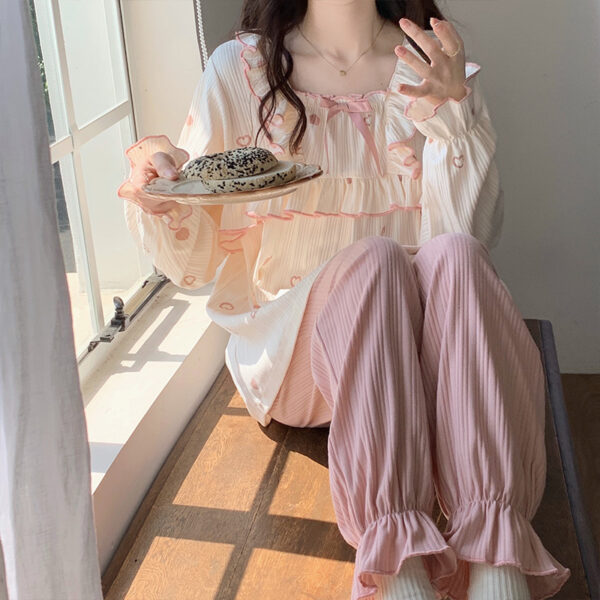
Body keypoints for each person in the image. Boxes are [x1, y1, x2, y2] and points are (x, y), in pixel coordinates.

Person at [117, 1, 571, 598]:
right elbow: (195, 265)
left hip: (417, 358)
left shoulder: (432, 65)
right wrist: (164, 194)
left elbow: (468, 240)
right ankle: (400, 570)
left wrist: (452, 111)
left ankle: (496, 562)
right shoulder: (241, 70)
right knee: (375, 260)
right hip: (296, 353)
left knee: (458, 255)